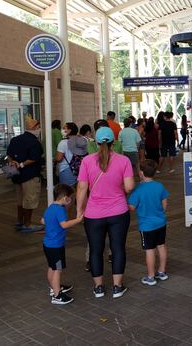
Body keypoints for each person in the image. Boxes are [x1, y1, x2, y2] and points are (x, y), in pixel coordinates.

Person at [76, 126, 134, 299]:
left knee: (95, 250)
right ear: (113, 143)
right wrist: (119, 189)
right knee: (118, 248)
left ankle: (99, 288)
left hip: (93, 214)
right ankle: (117, 287)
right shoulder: (123, 161)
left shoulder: (86, 161)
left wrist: (80, 211)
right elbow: (130, 186)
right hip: (118, 212)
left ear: (95, 142)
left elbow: (81, 188)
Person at [128, 159, 170, 286]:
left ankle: (151, 277)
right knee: (161, 246)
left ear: (141, 173)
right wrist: (158, 213)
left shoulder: (138, 190)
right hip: (160, 222)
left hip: (146, 226)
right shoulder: (159, 186)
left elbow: (132, 207)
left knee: (149, 250)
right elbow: (165, 203)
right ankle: (162, 271)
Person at [41, 184, 82, 304]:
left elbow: (43, 220)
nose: (70, 200)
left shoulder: (50, 208)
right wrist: (78, 220)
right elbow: (64, 225)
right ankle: (57, 295)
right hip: (56, 246)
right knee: (57, 269)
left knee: (52, 267)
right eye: (70, 197)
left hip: (48, 245)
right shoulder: (60, 210)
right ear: (64, 197)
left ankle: (53, 288)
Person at [7, 118, 44, 232]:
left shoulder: (15, 139)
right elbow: (34, 158)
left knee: (20, 200)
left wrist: (13, 162)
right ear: (34, 128)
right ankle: (27, 224)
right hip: (30, 175)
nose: (39, 129)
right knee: (30, 200)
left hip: (17, 176)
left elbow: (9, 155)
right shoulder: (34, 142)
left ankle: (19, 221)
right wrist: (22, 164)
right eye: (38, 127)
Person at [55, 122, 80, 186]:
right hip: (79, 169)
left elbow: (59, 158)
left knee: (67, 192)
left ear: (69, 130)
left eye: (64, 128)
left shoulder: (63, 143)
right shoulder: (80, 140)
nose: (62, 130)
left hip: (66, 170)